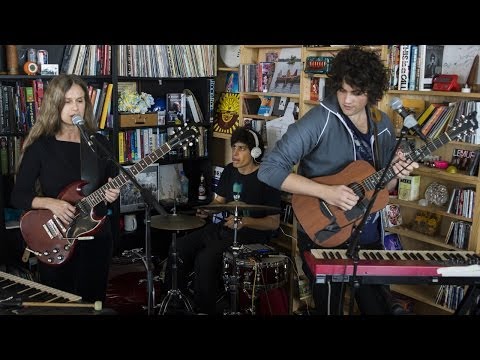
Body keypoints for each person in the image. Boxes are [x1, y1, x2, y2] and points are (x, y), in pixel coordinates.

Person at [258, 47, 419, 315]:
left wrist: (395, 174)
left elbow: (382, 189)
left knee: (378, 309)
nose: (346, 99)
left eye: (357, 93)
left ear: (372, 91)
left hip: (368, 235)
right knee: (329, 310)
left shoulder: (384, 125)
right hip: (325, 230)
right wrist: (327, 192)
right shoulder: (319, 119)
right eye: (342, 90)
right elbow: (269, 169)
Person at [11, 74, 120, 303]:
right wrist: (51, 203)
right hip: (56, 238)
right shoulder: (41, 147)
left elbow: (111, 187)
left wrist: (113, 193)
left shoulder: (100, 143)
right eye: (68, 101)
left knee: (94, 302)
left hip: (97, 238)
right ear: (55, 104)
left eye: (80, 101)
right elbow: (17, 195)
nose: (75, 107)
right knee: (61, 304)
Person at [164, 127, 281, 315]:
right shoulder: (229, 170)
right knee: (179, 247)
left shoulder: (267, 178)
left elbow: (274, 223)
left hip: (251, 236)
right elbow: (219, 202)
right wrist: (207, 210)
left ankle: (205, 310)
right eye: (233, 147)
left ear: (255, 151)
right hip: (225, 228)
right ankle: (176, 302)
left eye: (241, 148)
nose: (234, 153)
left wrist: (245, 221)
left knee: (205, 259)